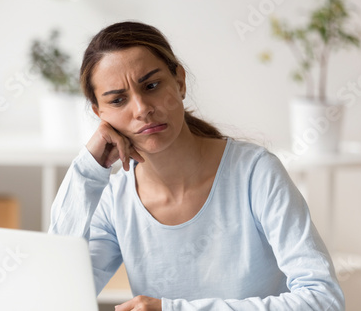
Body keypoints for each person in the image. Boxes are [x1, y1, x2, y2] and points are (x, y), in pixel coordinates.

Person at [48, 21, 345, 311]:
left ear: (179, 81)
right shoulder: (115, 201)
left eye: (151, 85)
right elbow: (54, 296)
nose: (142, 109)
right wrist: (87, 170)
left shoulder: (255, 173)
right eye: (118, 100)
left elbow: (323, 300)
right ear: (99, 113)